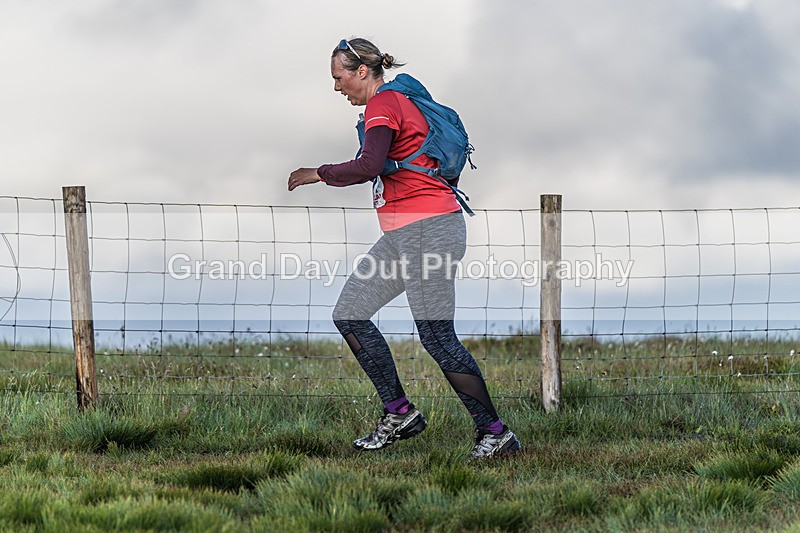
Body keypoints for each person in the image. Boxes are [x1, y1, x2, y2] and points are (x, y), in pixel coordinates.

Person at [288, 37, 520, 459]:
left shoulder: (383, 104)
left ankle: (496, 432)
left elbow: (369, 165)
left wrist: (316, 173)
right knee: (351, 314)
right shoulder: (394, 104)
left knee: (437, 337)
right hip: (404, 235)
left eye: (339, 78)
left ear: (362, 72)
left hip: (429, 232)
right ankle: (400, 413)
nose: (337, 87)